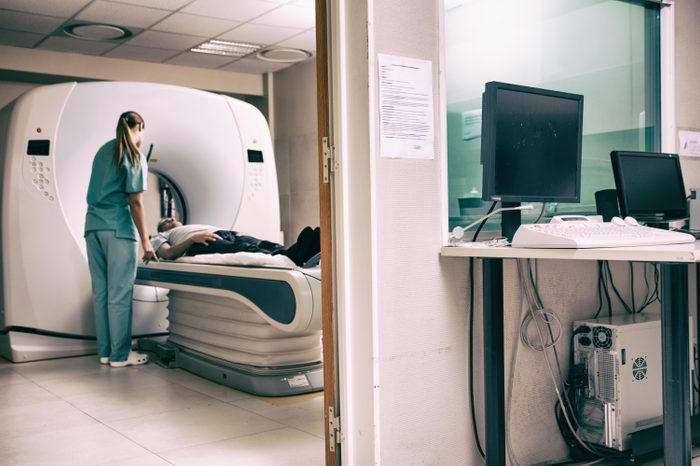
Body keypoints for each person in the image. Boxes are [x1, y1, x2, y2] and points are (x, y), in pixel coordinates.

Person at [84, 111, 157, 368]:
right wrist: (147, 243)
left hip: (92, 229)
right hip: (118, 230)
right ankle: (120, 356)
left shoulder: (104, 151)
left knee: (101, 294)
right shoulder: (135, 156)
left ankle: (105, 353)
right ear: (140, 127)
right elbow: (136, 202)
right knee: (119, 295)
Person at [152, 218, 320, 267]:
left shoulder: (191, 224)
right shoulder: (160, 236)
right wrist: (192, 239)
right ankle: (296, 256)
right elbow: (168, 253)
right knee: (243, 248)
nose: (172, 219)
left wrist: (233, 232)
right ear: (162, 228)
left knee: (262, 243)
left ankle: (306, 248)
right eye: (166, 220)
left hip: (224, 232)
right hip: (199, 243)